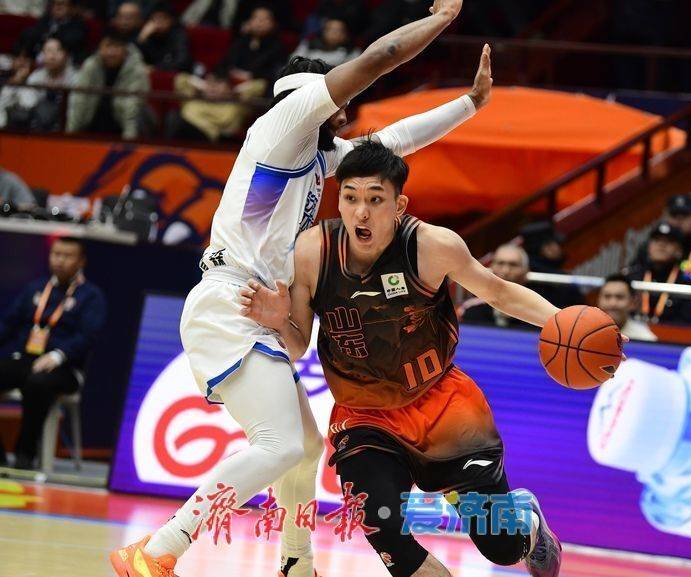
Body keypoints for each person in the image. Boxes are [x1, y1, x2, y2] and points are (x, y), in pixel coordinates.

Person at [110, 1, 496, 574]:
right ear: (314, 98)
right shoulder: (283, 126)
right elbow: (381, 57)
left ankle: (295, 562)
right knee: (281, 444)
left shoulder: (317, 155)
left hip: (253, 307)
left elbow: (395, 140)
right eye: (337, 101)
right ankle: (160, 548)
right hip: (231, 300)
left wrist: (470, 103)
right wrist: (439, 21)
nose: (346, 111)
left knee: (307, 447)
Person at [241, 140, 563, 577]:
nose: (361, 213)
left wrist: (563, 321)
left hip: (442, 407)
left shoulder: (431, 246)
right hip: (364, 417)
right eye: (350, 198)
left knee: (502, 548)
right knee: (383, 527)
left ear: (399, 205)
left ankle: (524, 518)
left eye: (375, 200)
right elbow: (297, 346)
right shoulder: (312, 252)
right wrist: (278, 320)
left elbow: (499, 292)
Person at [0, 237, 106, 469]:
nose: (60, 260)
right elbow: (8, 324)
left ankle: (25, 454)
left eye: (67, 256)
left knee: (37, 382)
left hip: (65, 368)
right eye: (56, 254)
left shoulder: (90, 296)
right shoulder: (35, 288)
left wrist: (58, 355)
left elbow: (87, 336)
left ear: (81, 261)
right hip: (26, 359)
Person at [66, 31, 150, 140]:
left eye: (116, 47)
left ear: (125, 50)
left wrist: (129, 144)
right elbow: (79, 101)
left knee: (142, 114)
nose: (111, 52)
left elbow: (133, 108)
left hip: (123, 125)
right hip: (93, 122)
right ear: (100, 48)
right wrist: (70, 136)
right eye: (108, 46)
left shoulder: (137, 70)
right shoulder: (91, 66)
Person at [625, 222, 691, 326]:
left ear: (679, 250)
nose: (661, 245)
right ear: (648, 247)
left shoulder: (688, 282)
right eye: (656, 240)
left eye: (669, 241)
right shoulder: (631, 277)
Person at [633, 194, 691, 282]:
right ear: (665, 217)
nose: (679, 220)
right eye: (674, 215)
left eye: (685, 215)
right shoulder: (650, 247)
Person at [0, 37, 77, 132]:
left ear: (66, 54)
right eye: (48, 51)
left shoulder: (75, 78)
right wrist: (16, 82)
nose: (52, 57)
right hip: (39, 128)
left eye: (57, 51)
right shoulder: (36, 76)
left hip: (67, 131)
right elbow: (26, 104)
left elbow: (76, 112)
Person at [168, 67, 260, 142]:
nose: (212, 86)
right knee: (173, 117)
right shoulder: (194, 100)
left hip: (214, 142)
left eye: (218, 82)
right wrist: (202, 85)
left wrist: (234, 90)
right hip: (186, 136)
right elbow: (180, 78)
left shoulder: (237, 105)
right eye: (209, 82)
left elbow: (260, 85)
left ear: (228, 86)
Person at [459, 244, 534, 329]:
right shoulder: (471, 310)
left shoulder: (539, 313)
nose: (506, 271)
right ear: (491, 267)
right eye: (500, 263)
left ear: (526, 271)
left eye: (513, 265)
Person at [220, 4, 286, 84]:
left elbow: (275, 72)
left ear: (273, 24)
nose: (260, 22)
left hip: (258, 83)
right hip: (232, 80)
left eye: (265, 19)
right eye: (256, 18)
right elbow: (226, 63)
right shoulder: (241, 42)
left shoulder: (276, 47)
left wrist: (252, 76)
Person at [14, 0, 88, 64]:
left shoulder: (78, 24)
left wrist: (47, 37)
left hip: (64, 62)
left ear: (71, 8)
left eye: (62, 4)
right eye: (55, 4)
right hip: (37, 59)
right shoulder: (45, 20)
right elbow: (31, 35)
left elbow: (70, 41)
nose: (58, 7)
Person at [597, 274, 657, 342]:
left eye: (619, 297)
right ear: (598, 300)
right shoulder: (588, 330)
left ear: (632, 302)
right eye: (607, 296)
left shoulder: (645, 339)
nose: (612, 303)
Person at [136, 1, 192, 72]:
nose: (159, 23)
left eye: (163, 18)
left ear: (171, 20)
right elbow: (136, 60)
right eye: (155, 19)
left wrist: (156, 68)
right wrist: (142, 38)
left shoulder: (178, 36)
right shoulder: (148, 35)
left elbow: (182, 62)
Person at [293, 18, 361, 68]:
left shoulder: (352, 51)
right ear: (323, 32)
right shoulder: (308, 45)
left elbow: (356, 70)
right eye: (331, 30)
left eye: (339, 31)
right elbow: (294, 62)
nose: (335, 34)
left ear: (346, 34)